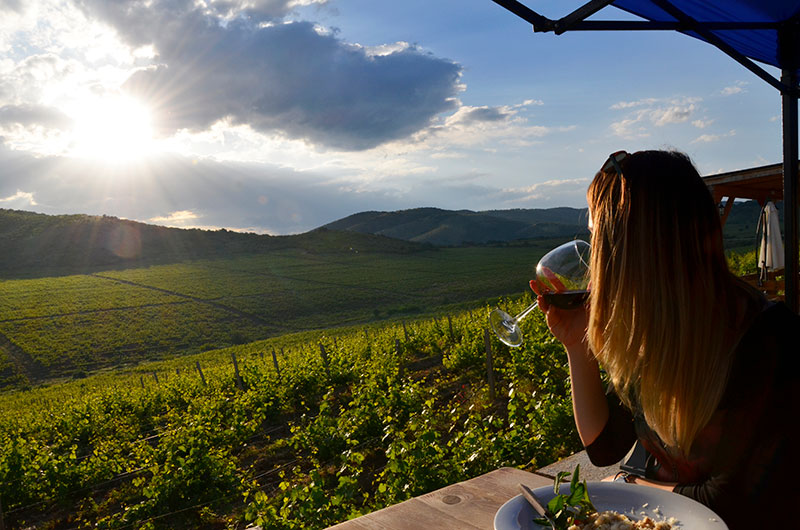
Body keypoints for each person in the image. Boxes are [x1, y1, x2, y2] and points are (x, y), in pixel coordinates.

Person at [534, 150, 799, 529]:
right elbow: (604, 446)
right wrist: (577, 346)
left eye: (600, 244)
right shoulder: (654, 336)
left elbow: (732, 504)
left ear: (636, 255)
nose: (594, 265)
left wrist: (629, 485)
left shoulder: (772, 343)